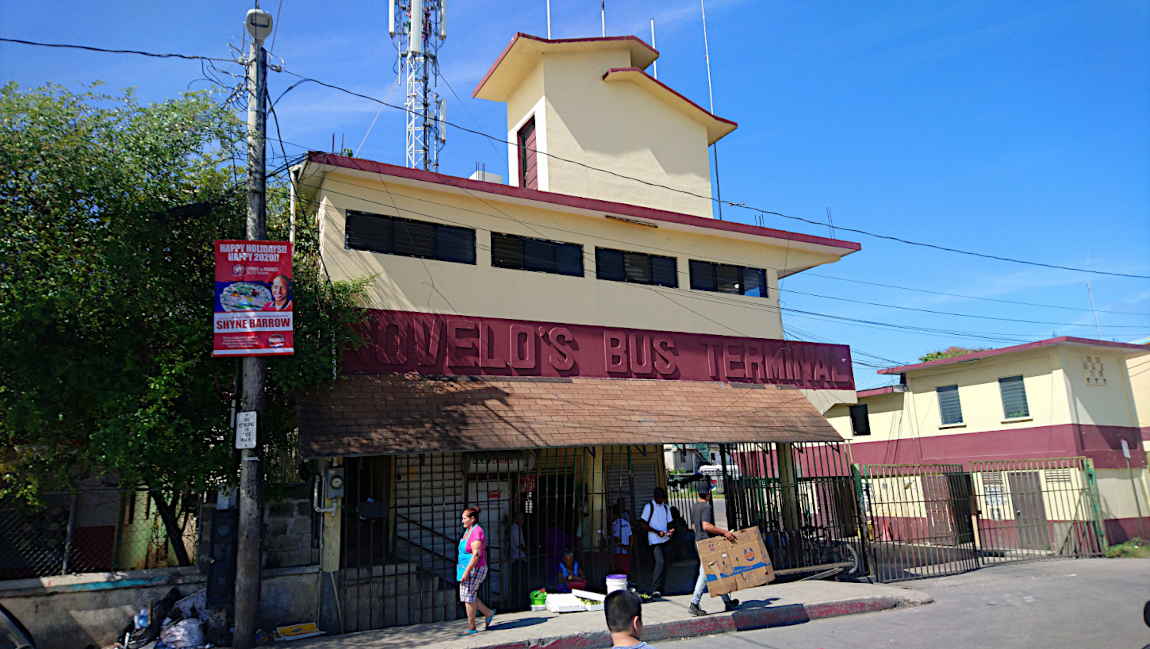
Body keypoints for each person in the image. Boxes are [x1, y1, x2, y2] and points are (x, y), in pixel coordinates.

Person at [688, 483, 741, 616]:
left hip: (698, 542)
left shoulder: (694, 506)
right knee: (705, 573)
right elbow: (706, 526)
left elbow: (694, 526)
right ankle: (694, 603)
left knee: (717, 571)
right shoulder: (706, 506)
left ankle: (727, 601)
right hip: (707, 544)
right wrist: (724, 532)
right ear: (708, 494)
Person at [457, 507, 496, 635]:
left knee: (468, 596)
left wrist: (466, 572)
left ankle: (472, 627)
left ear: (472, 519)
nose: (462, 521)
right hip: (466, 568)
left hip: (475, 568)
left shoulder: (476, 531)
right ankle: (488, 613)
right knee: (469, 595)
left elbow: (476, 555)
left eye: (464, 518)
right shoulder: (468, 530)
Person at [638, 487, 674, 598]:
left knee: (665, 564)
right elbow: (643, 524)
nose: (662, 500)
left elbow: (670, 523)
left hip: (665, 539)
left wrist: (671, 530)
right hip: (654, 540)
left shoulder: (666, 507)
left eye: (663, 498)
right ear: (655, 497)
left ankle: (661, 588)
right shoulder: (649, 507)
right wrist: (657, 532)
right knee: (660, 562)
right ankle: (655, 588)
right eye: (660, 498)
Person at [610, 504, 633, 576]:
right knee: (626, 568)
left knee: (619, 570)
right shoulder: (626, 523)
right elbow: (630, 536)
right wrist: (629, 547)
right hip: (626, 550)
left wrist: (620, 545)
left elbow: (616, 538)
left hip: (618, 551)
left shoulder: (614, 524)